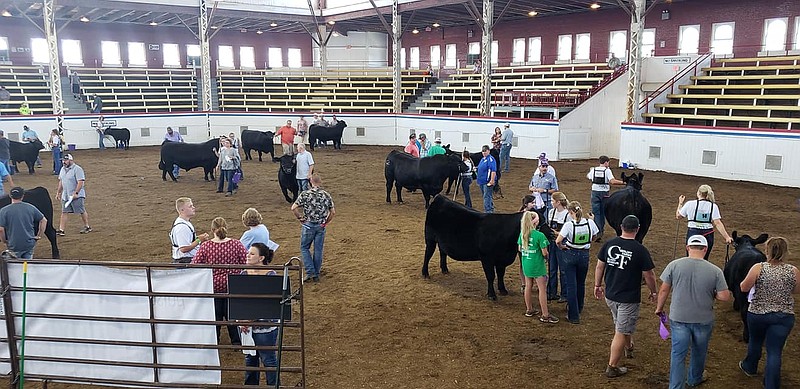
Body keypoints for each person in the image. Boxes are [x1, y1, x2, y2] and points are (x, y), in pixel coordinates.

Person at [655, 235, 732, 389]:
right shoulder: (715, 270)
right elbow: (725, 297)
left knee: (678, 354)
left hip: (680, 317)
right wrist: (713, 294)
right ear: (705, 249)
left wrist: (659, 308)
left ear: (687, 247)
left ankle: (676, 386)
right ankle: (694, 378)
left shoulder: (674, 265)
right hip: (703, 318)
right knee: (699, 350)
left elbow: (664, 289)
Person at [594, 215, 658, 378]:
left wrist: (597, 285)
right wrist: (653, 291)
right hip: (628, 297)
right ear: (637, 230)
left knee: (622, 324)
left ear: (621, 227)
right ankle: (612, 366)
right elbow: (649, 275)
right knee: (621, 330)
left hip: (611, 294)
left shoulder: (609, 243)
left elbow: (600, 266)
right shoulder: (640, 250)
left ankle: (629, 347)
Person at [739, 237, 799, 389]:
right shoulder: (793, 271)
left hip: (758, 314)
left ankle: (750, 366)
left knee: (755, 341)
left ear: (767, 250)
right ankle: (771, 384)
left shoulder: (758, 268)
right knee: (774, 351)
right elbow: (797, 290)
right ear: (785, 252)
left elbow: (744, 288)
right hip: (783, 315)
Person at [192, 217, 246, 345]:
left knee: (215, 314)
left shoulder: (206, 246)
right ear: (226, 228)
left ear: (212, 230)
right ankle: (236, 341)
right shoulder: (236, 244)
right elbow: (246, 261)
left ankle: (214, 340)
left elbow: (194, 264)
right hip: (232, 284)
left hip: (213, 285)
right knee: (231, 313)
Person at [239, 242, 279, 385]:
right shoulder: (243, 273)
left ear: (261, 258)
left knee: (268, 359)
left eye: (252, 254)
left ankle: (273, 386)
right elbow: (238, 300)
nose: (248, 256)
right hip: (247, 325)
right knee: (251, 359)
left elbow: (268, 305)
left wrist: (247, 320)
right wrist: (241, 320)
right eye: (248, 253)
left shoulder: (270, 276)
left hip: (264, 325)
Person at [555, 201, 599, 324]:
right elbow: (594, 236)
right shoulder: (590, 222)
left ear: (570, 212)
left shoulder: (569, 225)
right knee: (581, 283)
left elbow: (558, 241)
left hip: (570, 254)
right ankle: (579, 307)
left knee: (571, 285)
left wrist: (562, 247)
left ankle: (573, 315)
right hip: (584, 255)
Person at [291, 174, 335, 282]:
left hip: (308, 225)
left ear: (311, 182)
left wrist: (300, 218)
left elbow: (293, 208)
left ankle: (310, 271)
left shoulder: (305, 194)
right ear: (320, 182)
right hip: (320, 225)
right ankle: (316, 273)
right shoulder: (326, 195)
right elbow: (333, 212)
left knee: (304, 248)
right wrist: (325, 223)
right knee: (318, 249)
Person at [519, 210, 558, 324]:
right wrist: (546, 258)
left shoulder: (522, 234)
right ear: (535, 223)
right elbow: (545, 253)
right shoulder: (539, 236)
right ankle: (545, 315)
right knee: (542, 289)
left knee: (528, 286)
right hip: (537, 265)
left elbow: (520, 249)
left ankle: (529, 309)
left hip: (526, 263)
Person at [676, 184, 733, 260]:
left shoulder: (690, 204)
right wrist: (727, 237)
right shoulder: (713, 206)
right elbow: (717, 223)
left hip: (693, 232)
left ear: (698, 193)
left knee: (690, 257)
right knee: (704, 258)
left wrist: (680, 203)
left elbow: (678, 216)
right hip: (708, 234)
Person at [0, 187, 47, 259]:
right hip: (28, 243)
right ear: (22, 196)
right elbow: (44, 220)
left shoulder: (4, 211)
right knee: (27, 264)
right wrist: (39, 235)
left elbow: (1, 229)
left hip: (13, 244)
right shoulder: (31, 207)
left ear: (10, 196)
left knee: (15, 265)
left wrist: (4, 240)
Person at [587, 155, 623, 241]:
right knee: (602, 212)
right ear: (606, 162)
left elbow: (589, 177)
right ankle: (600, 231)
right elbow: (612, 181)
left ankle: (596, 231)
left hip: (595, 192)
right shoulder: (607, 171)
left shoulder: (593, 170)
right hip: (604, 193)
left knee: (596, 213)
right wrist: (623, 182)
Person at [55, 153, 91, 235]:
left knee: (81, 210)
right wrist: (58, 192)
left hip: (76, 195)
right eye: (63, 160)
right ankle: (61, 229)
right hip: (66, 195)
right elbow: (61, 181)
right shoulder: (62, 169)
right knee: (64, 212)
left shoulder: (77, 169)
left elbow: (80, 182)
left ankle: (87, 226)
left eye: (66, 160)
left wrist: (76, 192)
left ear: (71, 160)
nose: (64, 162)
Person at [170, 197, 210, 264]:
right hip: (185, 261)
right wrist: (199, 240)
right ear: (182, 210)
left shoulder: (185, 223)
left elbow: (187, 241)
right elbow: (184, 248)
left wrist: (198, 238)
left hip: (186, 260)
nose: (193, 208)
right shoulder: (182, 227)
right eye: (190, 206)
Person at [546, 191, 570, 302]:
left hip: (562, 244)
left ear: (558, 202)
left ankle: (564, 294)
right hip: (552, 242)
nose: (551, 203)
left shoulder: (568, 215)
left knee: (563, 270)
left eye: (552, 201)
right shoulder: (551, 212)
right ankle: (551, 292)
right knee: (552, 268)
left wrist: (555, 233)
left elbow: (568, 231)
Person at [476, 145, 497, 213]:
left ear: (488, 151)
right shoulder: (483, 159)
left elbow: (493, 170)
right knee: (486, 196)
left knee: (486, 196)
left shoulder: (491, 159)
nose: (484, 152)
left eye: (485, 151)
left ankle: (488, 211)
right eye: (483, 151)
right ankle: (490, 209)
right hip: (481, 181)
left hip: (487, 181)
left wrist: (492, 180)